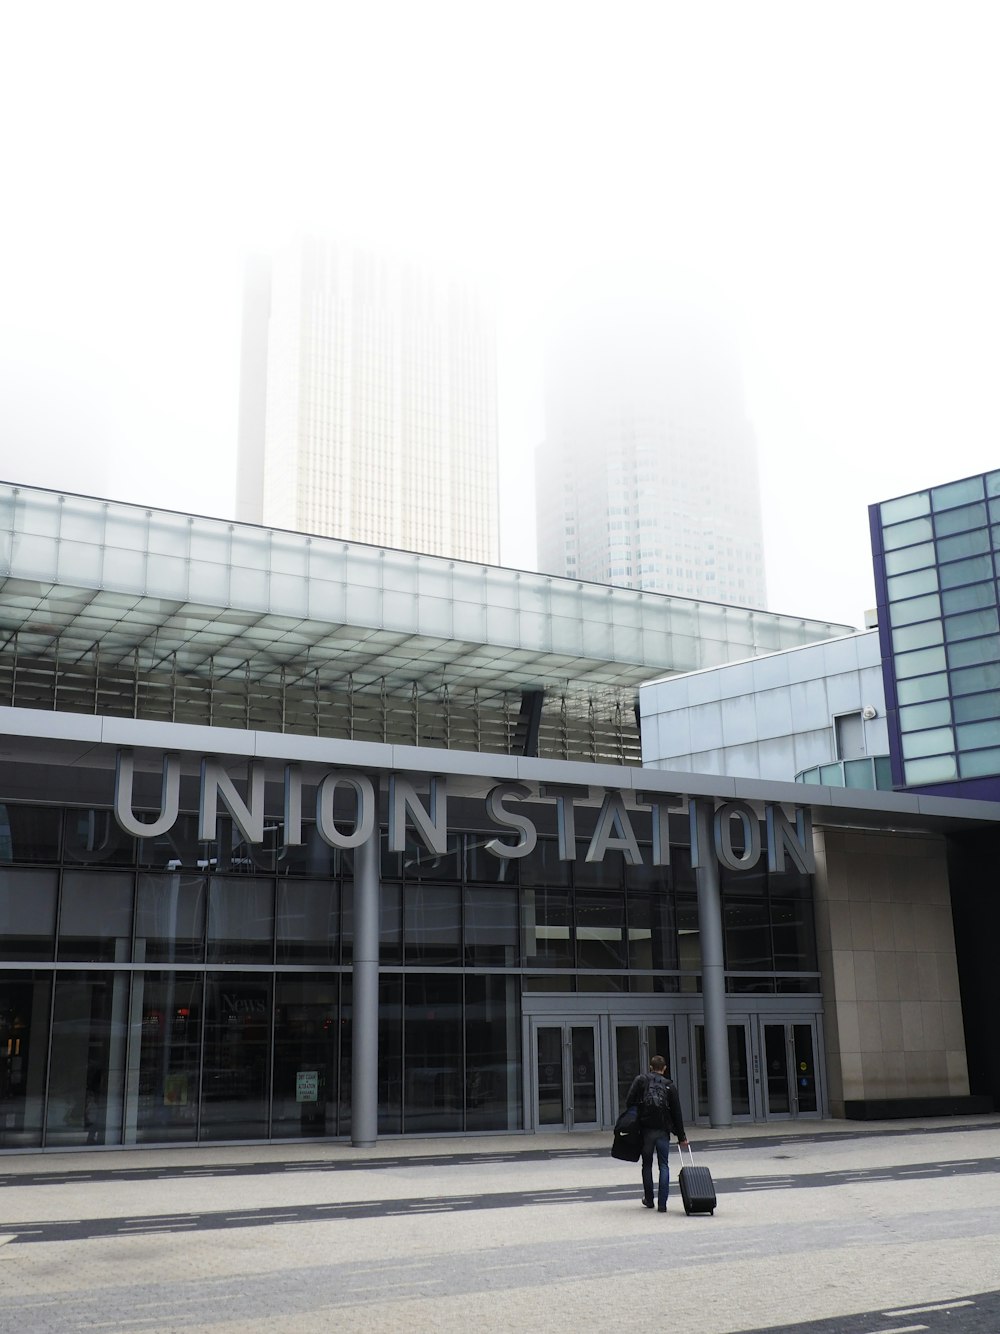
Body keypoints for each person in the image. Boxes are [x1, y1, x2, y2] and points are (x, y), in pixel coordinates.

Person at [625, 1054, 688, 1212]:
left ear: (651, 1067)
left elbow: (629, 1101)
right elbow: (677, 1113)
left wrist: (637, 1117)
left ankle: (649, 1199)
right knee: (664, 1165)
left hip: (646, 1130)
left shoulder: (641, 1081)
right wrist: (682, 1137)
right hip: (663, 1131)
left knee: (646, 1165)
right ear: (664, 1068)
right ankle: (662, 1204)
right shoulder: (670, 1086)